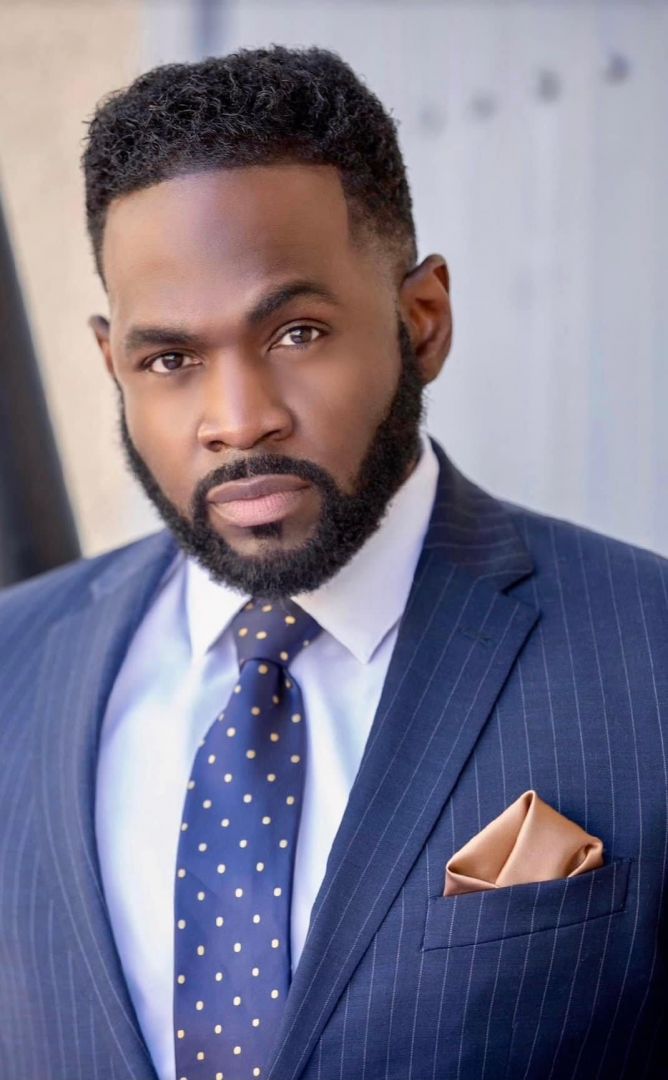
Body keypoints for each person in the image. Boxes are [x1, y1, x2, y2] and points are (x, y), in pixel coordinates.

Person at [0, 45, 665, 1080]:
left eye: (297, 332)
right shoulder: (13, 663)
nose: (238, 419)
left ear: (421, 321)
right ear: (111, 365)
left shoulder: (649, 651)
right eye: (169, 359)